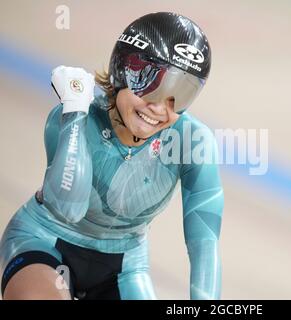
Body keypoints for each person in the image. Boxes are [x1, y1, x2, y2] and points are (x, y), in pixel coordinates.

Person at [0, 12, 223, 300]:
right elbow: (69, 208)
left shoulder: (192, 141)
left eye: (178, 96)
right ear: (122, 71)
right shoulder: (73, 115)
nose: (159, 108)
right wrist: (75, 115)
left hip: (125, 266)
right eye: (150, 85)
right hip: (44, 243)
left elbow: (204, 244)